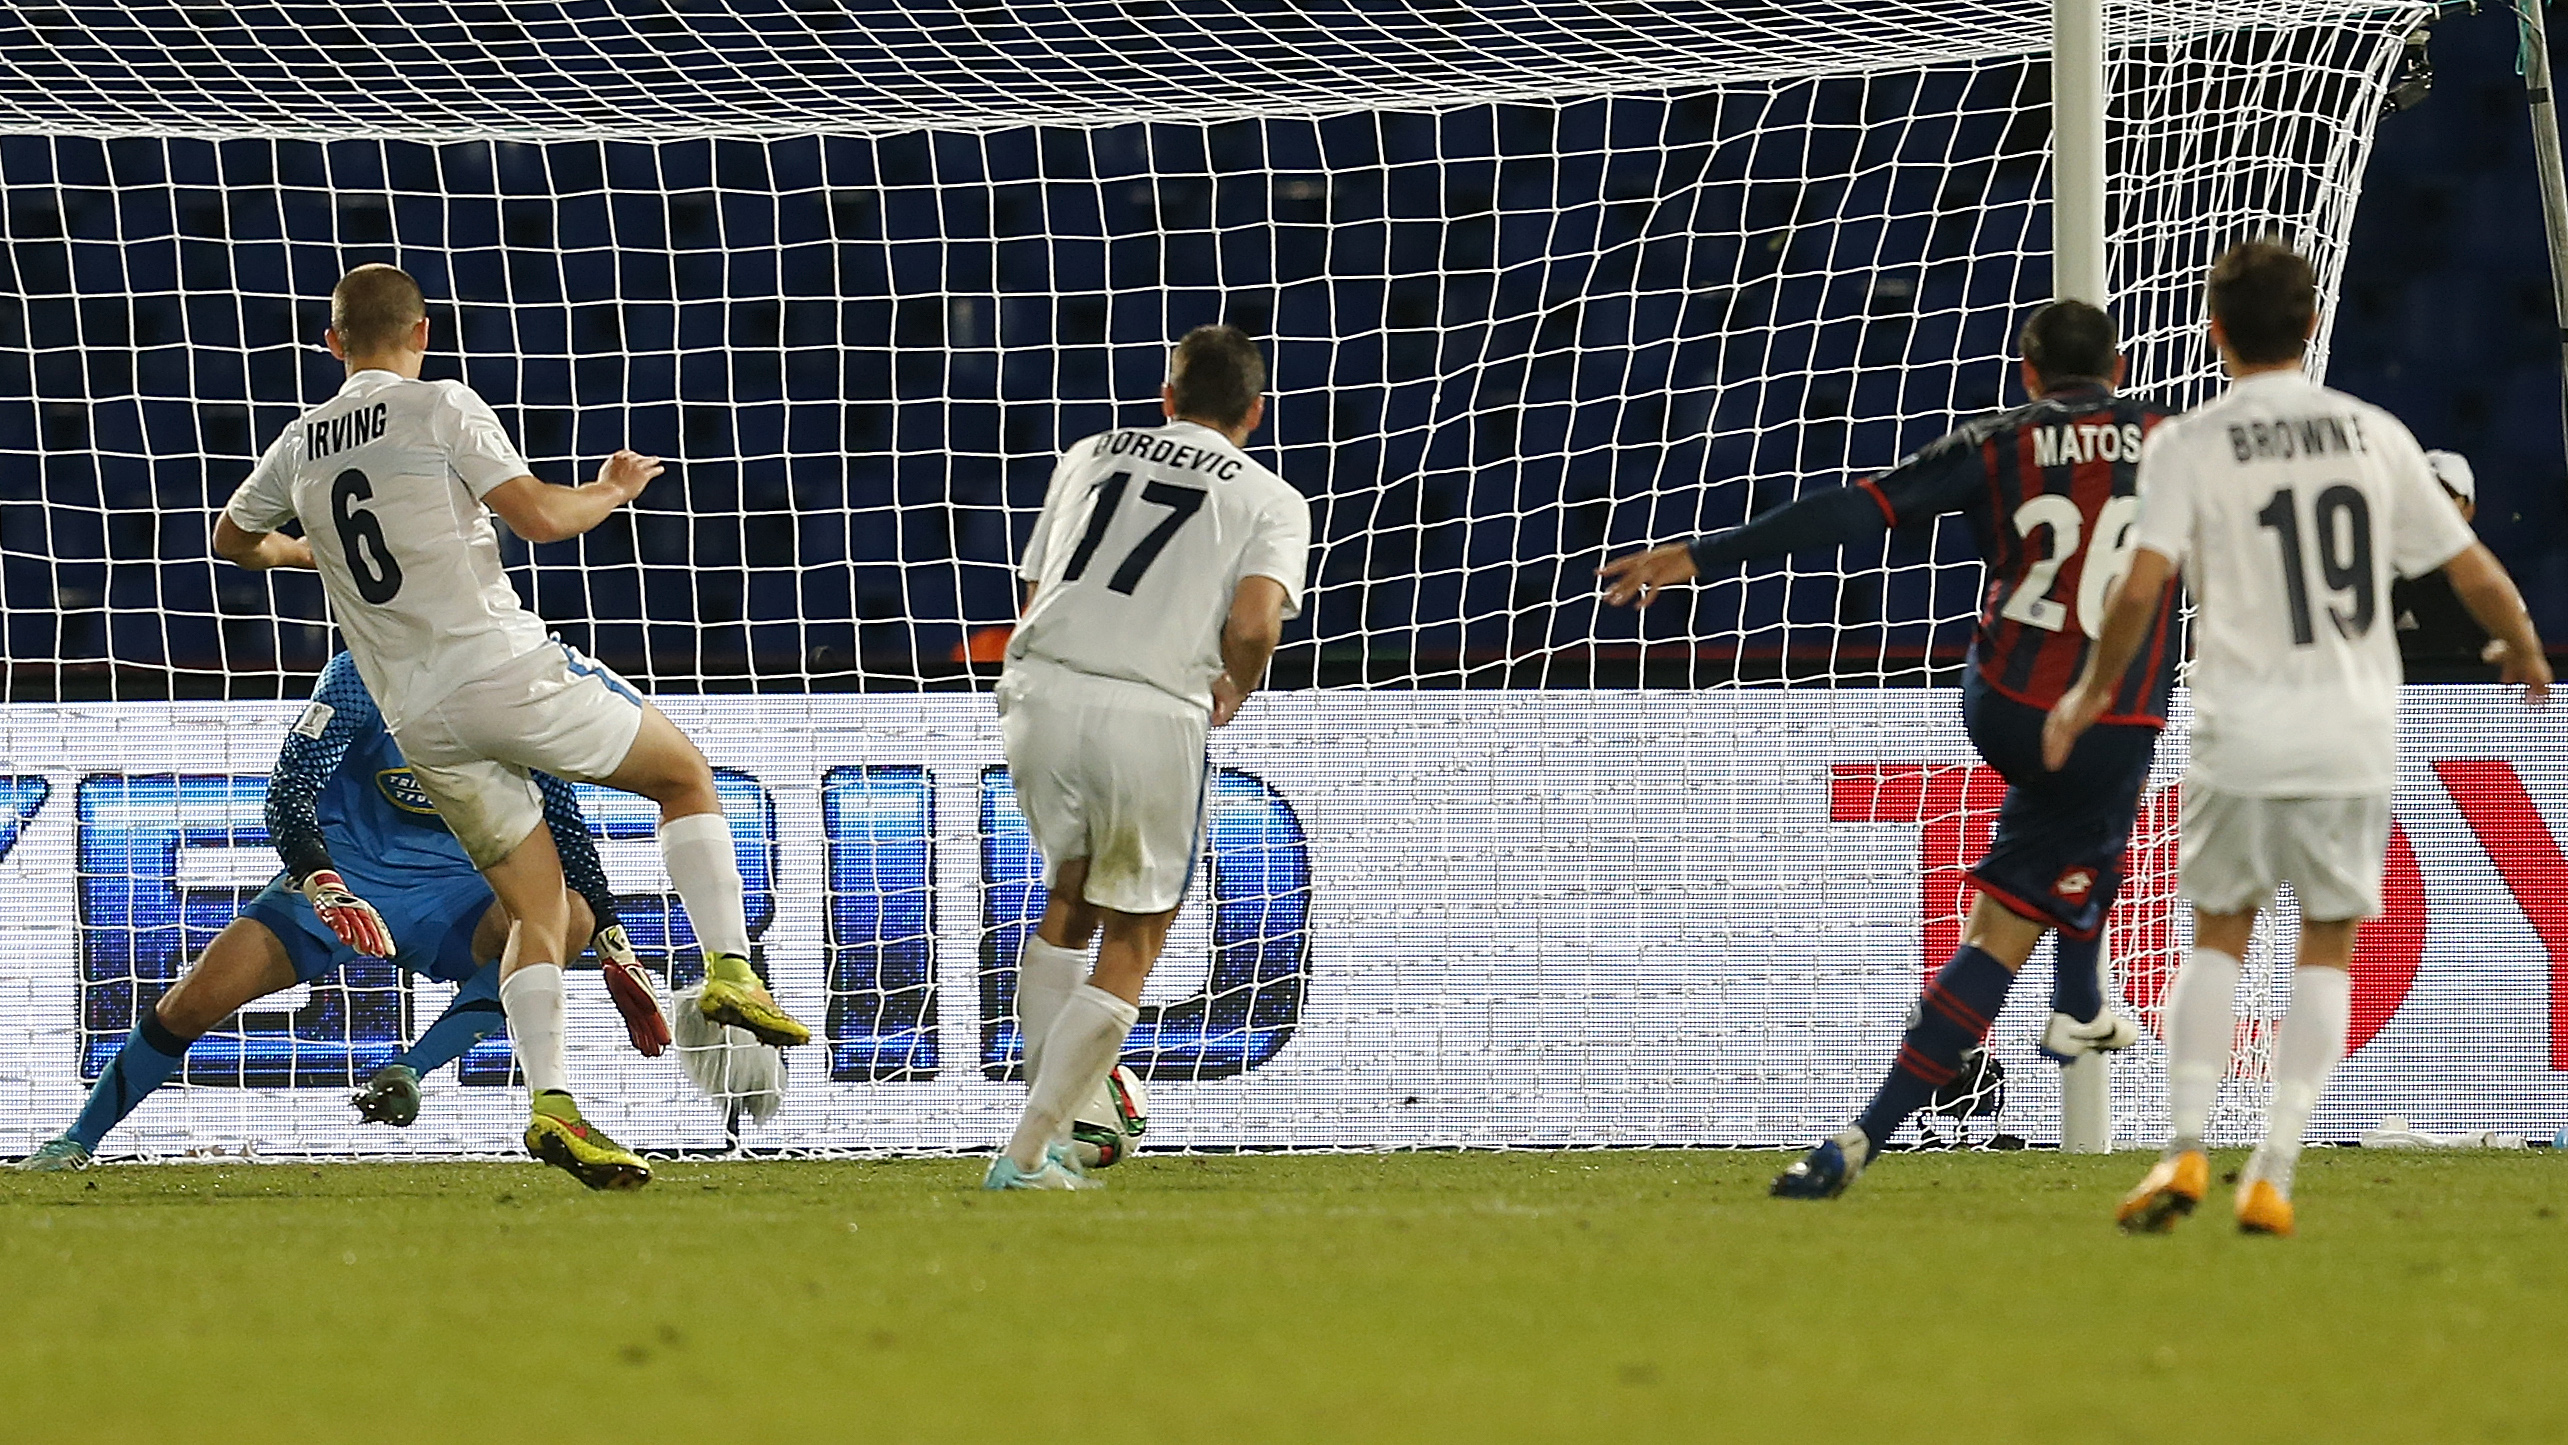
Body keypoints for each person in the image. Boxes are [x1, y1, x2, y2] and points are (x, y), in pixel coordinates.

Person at [212, 264, 807, 1191]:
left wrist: (304, 548)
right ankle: (732, 967)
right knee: (684, 775)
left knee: (536, 910)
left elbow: (230, 539)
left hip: (416, 716)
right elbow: (537, 518)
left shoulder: (298, 444)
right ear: (423, 331)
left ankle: (555, 1106)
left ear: (332, 343)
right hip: (500, 667)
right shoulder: (440, 403)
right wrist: (611, 490)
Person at [1599, 298, 2173, 1198]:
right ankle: (2077, 998)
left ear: (2027, 371)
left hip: (2007, 703)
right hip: (2113, 715)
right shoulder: (2179, 442)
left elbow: (1854, 513)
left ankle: (1861, 1139)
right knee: (2097, 800)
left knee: (2006, 917)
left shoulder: (1995, 442)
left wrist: (1705, 555)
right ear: (2122, 367)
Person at [2047, 239, 2550, 1236]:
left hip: (2241, 722)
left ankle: (2186, 1148)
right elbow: (2471, 565)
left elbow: (2143, 587)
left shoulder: (2188, 442)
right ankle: (2273, 1164)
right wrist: (2526, 648)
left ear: (2216, 330)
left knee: (2221, 930)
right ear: (2312, 324)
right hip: (2349, 725)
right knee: (2328, 944)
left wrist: (2088, 692)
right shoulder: (2371, 434)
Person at [14, 653, 656, 1170]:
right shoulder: (361, 676)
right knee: (194, 999)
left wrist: (611, 938)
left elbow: (565, 826)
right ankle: (75, 1142)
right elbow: (290, 785)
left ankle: (411, 1070)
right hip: (342, 885)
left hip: (457, 899)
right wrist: (319, 879)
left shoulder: (520, 692)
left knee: (565, 915)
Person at [983, 325, 1311, 1190]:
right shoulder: (1270, 497)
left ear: (1168, 398)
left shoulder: (1092, 450)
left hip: (1038, 685)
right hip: (1150, 702)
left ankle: (1056, 1114)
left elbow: (1038, 581)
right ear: (1255, 410)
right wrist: (1235, 687)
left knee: (1072, 893)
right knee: (1139, 928)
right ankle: (1028, 1154)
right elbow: (1253, 623)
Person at [2392, 450, 2492, 674]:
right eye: (2426, 497)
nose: (2434, 509)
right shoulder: (2377, 587)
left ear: (2468, 511)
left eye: (2446, 496)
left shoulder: (2492, 590)